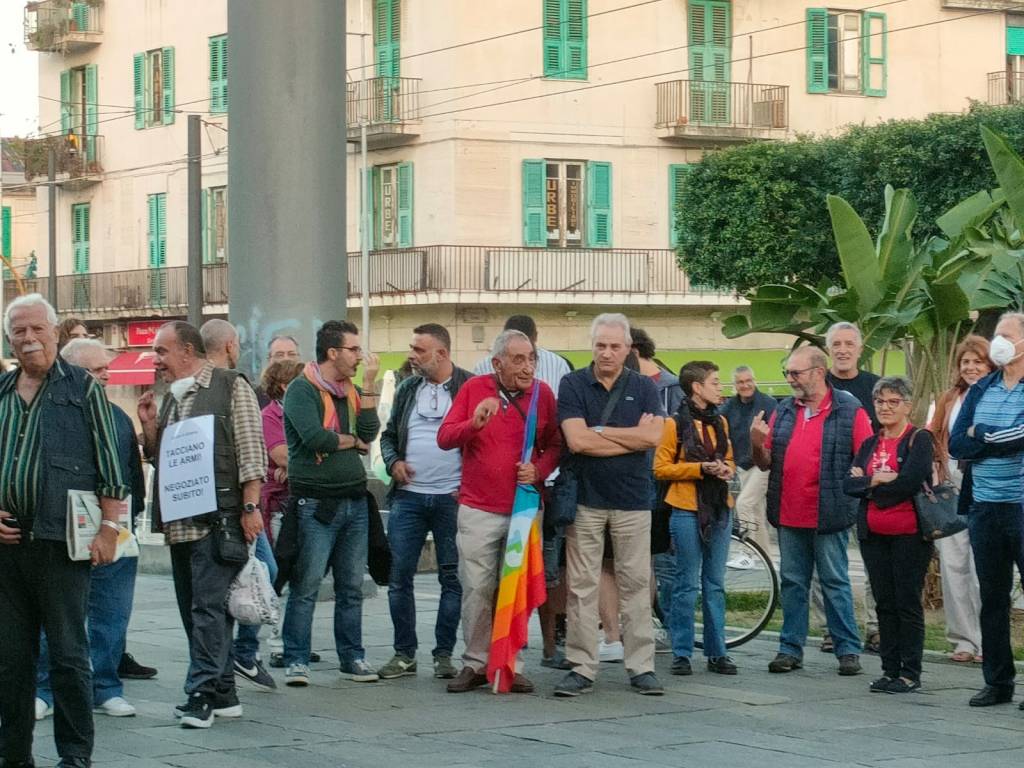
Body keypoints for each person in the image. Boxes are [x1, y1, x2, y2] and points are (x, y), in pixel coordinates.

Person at [0, 294, 129, 768]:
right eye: (19, 331)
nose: (29, 338)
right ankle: (14, 756)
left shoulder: (82, 387)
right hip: (9, 546)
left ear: (54, 333)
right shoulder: (1, 391)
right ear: (9, 338)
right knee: (11, 661)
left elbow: (111, 465)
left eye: (37, 329)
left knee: (69, 656)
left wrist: (110, 529)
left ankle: (75, 757)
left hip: (61, 544)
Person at [138, 321, 266, 729]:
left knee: (207, 609)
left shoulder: (230, 385)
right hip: (181, 523)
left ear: (188, 351)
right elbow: (169, 461)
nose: (156, 360)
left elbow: (251, 450)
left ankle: (201, 694)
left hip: (218, 520)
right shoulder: (175, 398)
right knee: (195, 610)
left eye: (162, 351)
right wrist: (149, 428)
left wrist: (250, 508)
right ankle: (225, 692)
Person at [438, 329, 561, 693]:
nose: (527, 367)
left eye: (532, 358)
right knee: (477, 586)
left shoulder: (543, 394)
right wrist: (473, 424)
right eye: (518, 359)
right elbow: (445, 437)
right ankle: (476, 662)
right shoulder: (474, 389)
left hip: (523, 507)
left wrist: (539, 468)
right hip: (478, 507)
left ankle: (510, 663)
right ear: (497, 363)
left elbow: (555, 443)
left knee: (515, 587)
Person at [553, 313, 666, 698]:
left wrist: (602, 431)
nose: (607, 352)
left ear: (628, 349)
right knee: (581, 587)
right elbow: (577, 442)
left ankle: (642, 667)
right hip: (584, 499)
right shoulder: (571, 384)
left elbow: (653, 438)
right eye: (600, 345)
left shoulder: (644, 388)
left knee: (636, 583)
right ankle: (582, 666)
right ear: (592, 345)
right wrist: (627, 437)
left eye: (615, 346)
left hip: (633, 498)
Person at [34, 340, 147, 722]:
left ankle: (105, 687)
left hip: (115, 529)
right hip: (61, 531)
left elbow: (131, 472)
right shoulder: (46, 412)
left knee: (111, 613)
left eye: (106, 369)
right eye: (97, 370)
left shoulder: (117, 417)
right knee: (59, 615)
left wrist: (126, 525)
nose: (106, 376)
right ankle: (45, 689)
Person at [750, 345, 873, 676]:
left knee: (834, 580)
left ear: (819, 372)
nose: (790, 379)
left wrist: (853, 494)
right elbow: (764, 463)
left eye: (796, 373)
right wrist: (754, 440)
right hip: (789, 511)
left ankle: (848, 649)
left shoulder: (849, 409)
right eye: (787, 373)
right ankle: (790, 648)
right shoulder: (785, 410)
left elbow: (865, 457)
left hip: (828, 512)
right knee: (792, 581)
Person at [280, 321, 381, 686]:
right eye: (353, 350)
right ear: (333, 352)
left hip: (354, 499)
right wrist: (352, 441)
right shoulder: (301, 390)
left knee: (351, 587)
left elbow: (370, 432)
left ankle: (352, 657)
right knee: (306, 585)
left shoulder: (352, 389)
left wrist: (369, 387)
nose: (360, 356)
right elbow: (315, 438)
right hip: (315, 503)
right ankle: (295, 659)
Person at [378, 324, 471, 681]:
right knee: (399, 577)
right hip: (409, 499)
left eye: (419, 350)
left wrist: (469, 484)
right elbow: (388, 436)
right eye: (412, 348)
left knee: (453, 578)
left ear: (442, 354)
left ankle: (443, 654)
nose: (412, 356)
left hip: (453, 498)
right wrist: (392, 463)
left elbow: (481, 440)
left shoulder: (469, 386)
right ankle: (404, 654)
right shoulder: (407, 389)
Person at [949, 312, 1024, 708]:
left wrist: (986, 435)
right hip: (984, 507)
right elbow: (958, 442)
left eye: (1007, 336)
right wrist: (989, 438)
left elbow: (1020, 436)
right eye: (997, 335)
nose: (999, 342)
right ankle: (997, 682)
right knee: (992, 597)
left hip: (1021, 506)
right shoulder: (983, 388)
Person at [200, 318, 279, 693]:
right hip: (233, 506)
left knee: (254, 573)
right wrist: (251, 508)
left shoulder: (193, 388)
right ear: (231, 345)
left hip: (213, 504)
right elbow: (253, 452)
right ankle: (240, 656)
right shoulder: (234, 384)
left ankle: (235, 657)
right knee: (259, 572)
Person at [843, 376, 934, 694]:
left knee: (906, 602)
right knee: (884, 603)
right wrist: (877, 480)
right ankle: (889, 669)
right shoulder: (870, 443)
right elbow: (849, 484)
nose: (885, 407)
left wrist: (871, 484)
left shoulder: (919, 439)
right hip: (873, 534)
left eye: (893, 401)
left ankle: (910, 672)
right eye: (880, 401)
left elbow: (909, 482)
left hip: (909, 534)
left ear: (907, 406)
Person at [653, 361, 737, 676]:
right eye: (715, 382)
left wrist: (725, 468)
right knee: (686, 583)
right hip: (686, 508)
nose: (721, 387)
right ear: (697, 387)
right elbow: (661, 469)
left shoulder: (720, 422)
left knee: (714, 583)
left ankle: (718, 652)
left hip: (718, 508)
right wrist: (699, 469)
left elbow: (728, 456)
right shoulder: (674, 425)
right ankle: (682, 652)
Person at [820, 321, 880, 654]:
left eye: (849, 344)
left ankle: (877, 628)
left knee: (874, 562)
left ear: (860, 349)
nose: (843, 350)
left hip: (868, 487)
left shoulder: (874, 387)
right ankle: (832, 628)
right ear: (829, 349)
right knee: (828, 564)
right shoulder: (818, 385)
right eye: (837, 344)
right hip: (826, 487)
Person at [928, 335, 989, 663]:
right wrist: (938, 473)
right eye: (966, 362)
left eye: (978, 361)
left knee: (984, 568)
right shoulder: (950, 398)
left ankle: (987, 639)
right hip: (952, 488)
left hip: (987, 489)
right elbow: (935, 436)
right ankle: (963, 640)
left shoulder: (999, 395)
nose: (971, 367)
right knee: (954, 565)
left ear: (990, 364)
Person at [720, 365, 777, 556]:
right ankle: (765, 558)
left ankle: (748, 552)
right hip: (742, 466)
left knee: (744, 503)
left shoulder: (768, 404)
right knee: (757, 514)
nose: (745, 385)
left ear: (754, 380)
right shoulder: (730, 406)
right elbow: (717, 422)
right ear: (734, 385)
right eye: (740, 382)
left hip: (763, 465)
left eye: (748, 381)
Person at [472, 314, 570, 392]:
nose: (528, 370)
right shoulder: (482, 367)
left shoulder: (558, 364)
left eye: (531, 359)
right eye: (518, 359)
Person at [258, 335, 302, 408]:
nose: (286, 359)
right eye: (280, 355)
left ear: (299, 358)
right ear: (269, 360)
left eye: (291, 354)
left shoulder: (311, 389)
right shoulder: (257, 395)